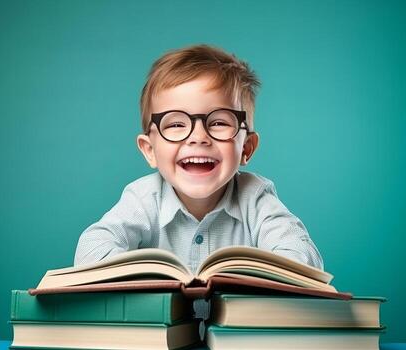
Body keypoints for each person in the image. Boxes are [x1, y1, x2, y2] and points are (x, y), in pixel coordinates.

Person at [75, 43, 323, 275]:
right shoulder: (143, 199)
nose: (198, 137)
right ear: (150, 150)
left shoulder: (255, 197)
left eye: (218, 122)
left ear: (246, 147)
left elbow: (303, 258)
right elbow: (91, 250)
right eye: (175, 123)